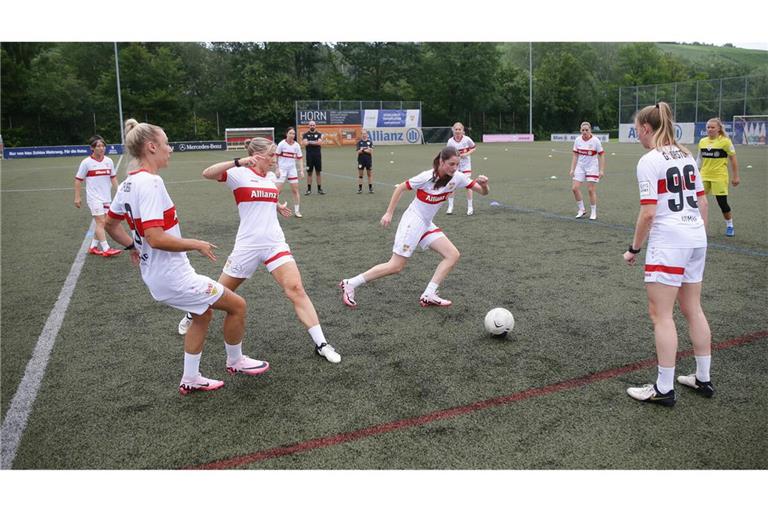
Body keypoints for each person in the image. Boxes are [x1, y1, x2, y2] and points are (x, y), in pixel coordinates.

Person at [105, 119, 269, 396]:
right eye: (167, 143)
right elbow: (155, 237)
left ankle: (191, 378)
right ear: (152, 146)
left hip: (156, 274)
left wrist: (132, 247)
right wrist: (196, 244)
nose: (170, 149)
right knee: (237, 306)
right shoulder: (151, 183)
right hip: (173, 276)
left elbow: (110, 225)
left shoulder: (128, 184)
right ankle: (236, 360)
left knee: (202, 314)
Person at [176, 137, 341, 363]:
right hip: (247, 246)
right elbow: (207, 173)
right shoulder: (239, 174)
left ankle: (321, 344)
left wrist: (277, 205)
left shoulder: (272, 177)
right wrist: (239, 162)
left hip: (275, 243)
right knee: (219, 293)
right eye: (272, 154)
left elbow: (263, 198)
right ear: (257, 156)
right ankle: (190, 312)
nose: (276, 158)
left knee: (295, 288)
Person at [623, 102, 713, 407]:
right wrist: (697, 236)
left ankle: (664, 388)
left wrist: (634, 248)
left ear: (647, 129)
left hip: (670, 241)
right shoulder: (687, 154)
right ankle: (702, 378)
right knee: (693, 309)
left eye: (637, 131)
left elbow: (648, 213)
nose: (638, 136)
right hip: (695, 238)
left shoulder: (649, 160)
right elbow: (702, 203)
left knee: (661, 315)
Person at [340, 146, 489, 308]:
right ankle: (350, 283)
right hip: (413, 221)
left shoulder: (458, 177)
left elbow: (483, 192)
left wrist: (485, 184)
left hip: (426, 223)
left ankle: (429, 294)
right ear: (441, 161)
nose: (454, 168)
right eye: (451, 164)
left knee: (452, 254)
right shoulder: (426, 177)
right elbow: (401, 188)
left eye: (457, 165)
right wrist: (389, 213)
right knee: (396, 266)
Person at [74, 135, 122, 257]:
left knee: (104, 223)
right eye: (98, 146)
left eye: (103, 146)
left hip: (106, 197)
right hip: (94, 198)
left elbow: (113, 177)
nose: (101, 148)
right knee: (101, 222)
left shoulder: (109, 161)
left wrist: (119, 191)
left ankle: (93, 247)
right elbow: (78, 180)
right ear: (92, 148)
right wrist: (77, 197)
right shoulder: (86, 163)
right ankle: (106, 249)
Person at [698, 118, 740, 237]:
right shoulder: (702, 141)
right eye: (708, 127)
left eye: (712, 127)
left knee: (722, 202)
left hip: (719, 176)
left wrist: (736, 176)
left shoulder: (725, 142)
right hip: (704, 175)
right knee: (697, 201)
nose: (710, 129)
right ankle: (697, 225)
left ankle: (730, 225)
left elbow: (733, 159)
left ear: (719, 129)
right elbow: (699, 158)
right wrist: (695, 173)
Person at [569, 121, 606, 220]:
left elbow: (601, 154)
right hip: (580, 166)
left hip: (592, 167)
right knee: (575, 188)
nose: (584, 132)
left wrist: (601, 170)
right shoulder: (577, 140)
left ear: (590, 130)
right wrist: (572, 168)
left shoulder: (595, 141)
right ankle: (582, 210)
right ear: (580, 130)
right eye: (583, 130)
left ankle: (593, 212)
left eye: (586, 130)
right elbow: (575, 155)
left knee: (590, 189)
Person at [445, 122, 477, 215]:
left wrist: (466, 154)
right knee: (452, 185)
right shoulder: (450, 141)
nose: (458, 131)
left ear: (463, 131)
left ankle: (470, 207)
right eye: (456, 129)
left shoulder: (467, 139)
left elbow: (474, 147)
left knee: (468, 185)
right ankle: (450, 207)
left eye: (460, 129)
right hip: (455, 166)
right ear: (453, 130)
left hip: (466, 165)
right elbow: (448, 153)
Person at [275, 127, 305, 217]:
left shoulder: (296, 145)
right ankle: (272, 208)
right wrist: (277, 168)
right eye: (290, 133)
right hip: (282, 170)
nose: (292, 135)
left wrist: (302, 171)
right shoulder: (281, 144)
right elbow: (275, 157)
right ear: (286, 134)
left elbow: (300, 158)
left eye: (293, 134)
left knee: (295, 190)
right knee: (276, 191)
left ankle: (297, 211)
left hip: (292, 170)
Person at [301, 120, 324, 195]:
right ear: (308, 126)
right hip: (309, 156)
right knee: (309, 173)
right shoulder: (305, 134)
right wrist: (315, 142)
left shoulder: (319, 134)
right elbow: (305, 143)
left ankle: (319, 189)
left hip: (317, 156)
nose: (312, 126)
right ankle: (309, 189)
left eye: (313, 125)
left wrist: (310, 142)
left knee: (318, 173)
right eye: (311, 125)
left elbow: (320, 143)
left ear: (315, 126)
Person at [356, 130, 375, 194]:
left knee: (369, 175)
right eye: (363, 134)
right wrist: (366, 149)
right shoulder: (359, 142)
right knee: (360, 175)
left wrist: (363, 150)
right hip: (361, 161)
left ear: (367, 134)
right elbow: (358, 152)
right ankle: (360, 189)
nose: (364, 135)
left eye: (365, 134)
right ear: (361, 135)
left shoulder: (370, 142)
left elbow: (371, 151)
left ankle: (370, 188)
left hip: (368, 161)